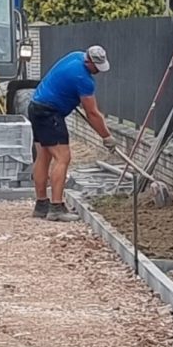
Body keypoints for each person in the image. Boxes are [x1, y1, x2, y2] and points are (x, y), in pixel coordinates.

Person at [27, 45, 116, 221]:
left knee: (43, 156)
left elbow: (62, 82)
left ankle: (41, 205)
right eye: (96, 67)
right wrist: (107, 136)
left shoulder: (75, 56)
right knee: (63, 158)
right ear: (88, 61)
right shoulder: (83, 79)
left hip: (36, 106)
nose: (97, 71)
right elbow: (92, 113)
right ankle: (57, 208)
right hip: (49, 113)